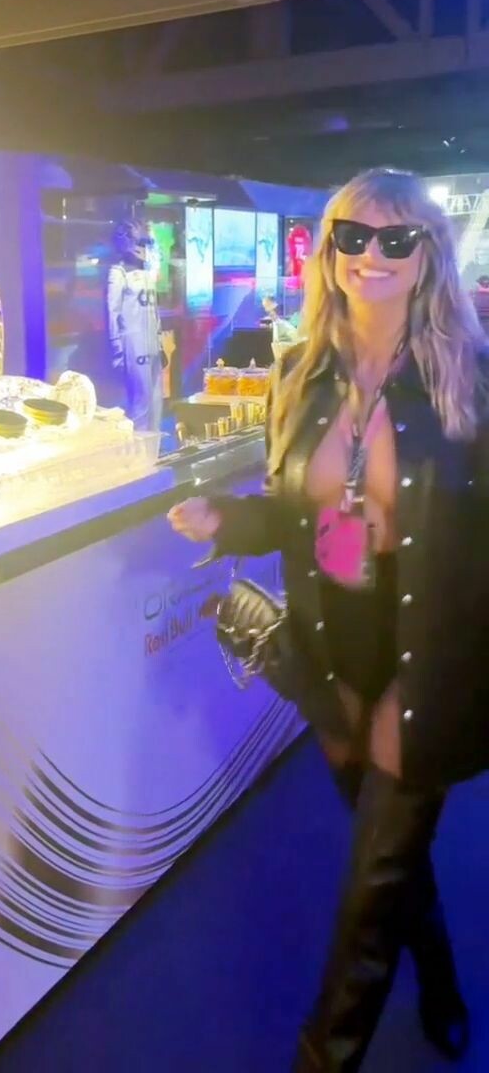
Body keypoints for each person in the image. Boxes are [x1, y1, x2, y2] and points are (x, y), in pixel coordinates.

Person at [168, 167, 489, 1070]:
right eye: (353, 236)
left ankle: (325, 1053)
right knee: (392, 857)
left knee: (373, 880)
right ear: (329, 251)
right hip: (331, 647)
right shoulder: (298, 375)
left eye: (396, 238)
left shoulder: (470, 381)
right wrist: (228, 522)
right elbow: (293, 516)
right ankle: (443, 984)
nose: (372, 256)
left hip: (433, 653)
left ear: (428, 255)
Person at [107, 210, 165, 432]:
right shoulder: (119, 274)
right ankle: (140, 447)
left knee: (156, 401)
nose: (145, 247)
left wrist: (160, 344)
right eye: (141, 242)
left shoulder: (146, 275)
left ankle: (155, 445)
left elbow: (154, 311)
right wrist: (117, 352)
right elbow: (113, 314)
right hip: (133, 344)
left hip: (151, 345)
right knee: (141, 403)